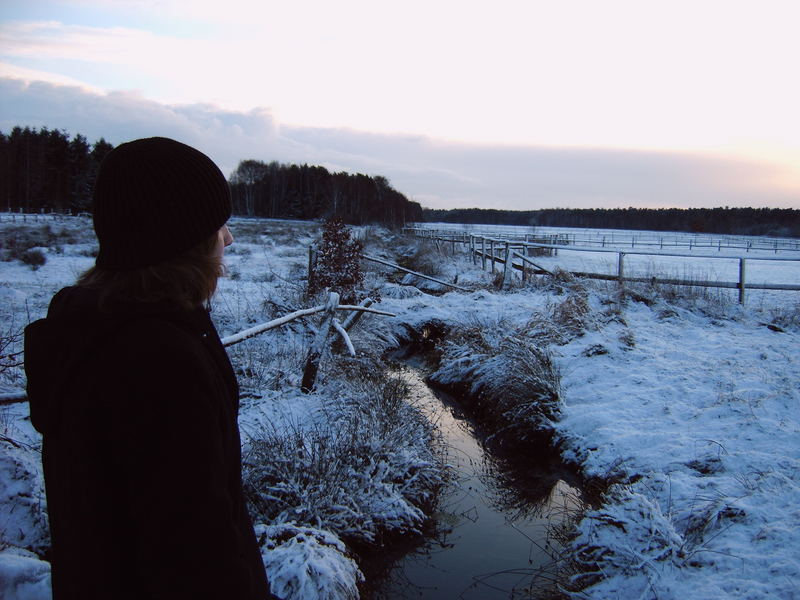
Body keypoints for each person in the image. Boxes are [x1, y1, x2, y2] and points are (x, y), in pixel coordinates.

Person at [24, 137, 277, 599]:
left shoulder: (92, 330)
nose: (229, 238)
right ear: (183, 239)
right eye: (218, 226)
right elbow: (194, 553)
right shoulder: (158, 362)